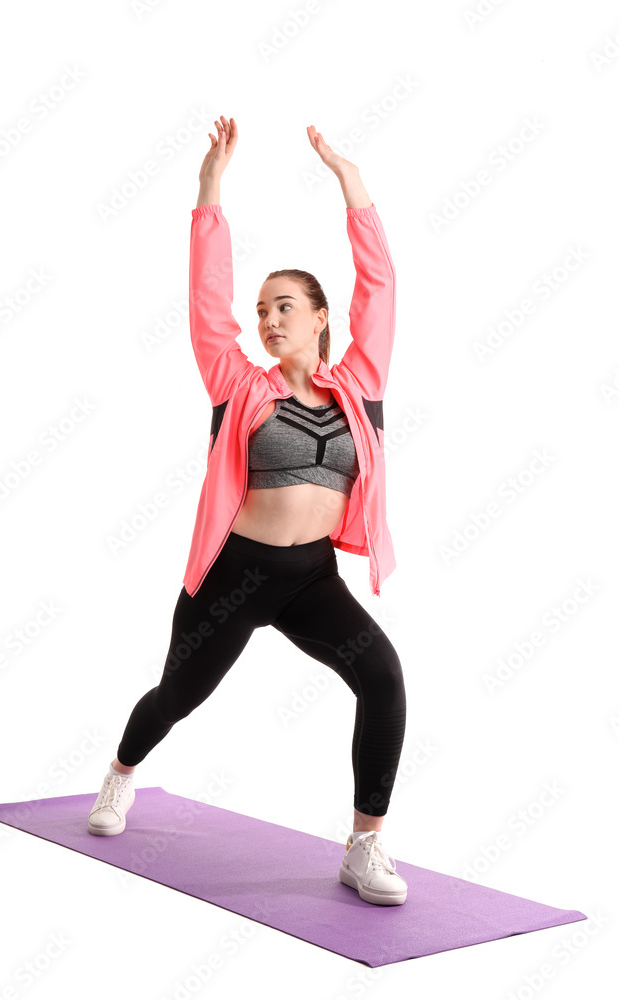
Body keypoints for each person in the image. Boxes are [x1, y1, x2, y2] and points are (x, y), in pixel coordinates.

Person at [87, 116, 408, 906]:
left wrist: (349, 179)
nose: (268, 320)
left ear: (321, 316)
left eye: (285, 307)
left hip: (309, 578)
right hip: (234, 573)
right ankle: (120, 774)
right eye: (262, 308)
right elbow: (205, 295)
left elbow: (381, 285)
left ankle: (363, 847)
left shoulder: (358, 379)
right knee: (176, 698)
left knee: (383, 678)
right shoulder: (237, 381)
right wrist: (210, 187)